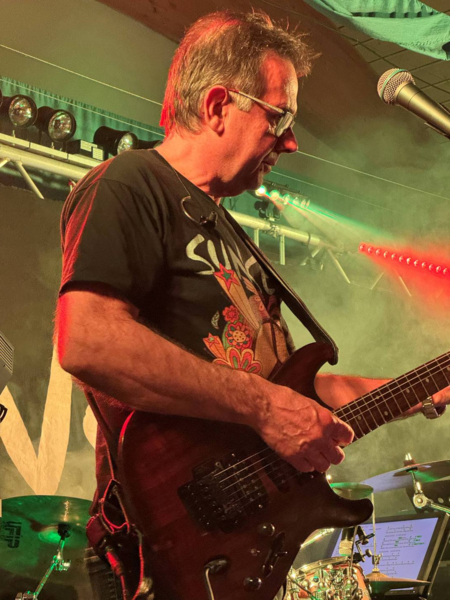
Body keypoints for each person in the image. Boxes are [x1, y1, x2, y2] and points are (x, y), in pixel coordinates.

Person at [55, 10, 449, 600]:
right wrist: (265, 407)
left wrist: (422, 388)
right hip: (160, 552)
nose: (291, 141)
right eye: (279, 117)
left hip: (239, 552)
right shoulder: (129, 183)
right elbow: (88, 340)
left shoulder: (228, 231)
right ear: (218, 105)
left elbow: (295, 394)